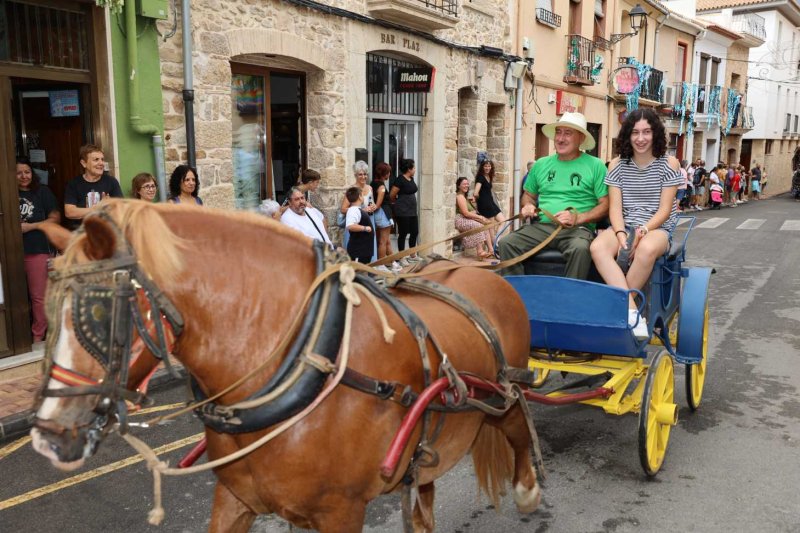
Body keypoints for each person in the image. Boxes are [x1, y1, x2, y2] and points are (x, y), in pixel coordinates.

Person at [589, 108, 682, 338]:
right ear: (628, 136)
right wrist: (621, 234)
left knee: (647, 249)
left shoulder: (669, 164)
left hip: (656, 226)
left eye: (647, 132)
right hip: (625, 223)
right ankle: (631, 311)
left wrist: (643, 230)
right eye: (635, 132)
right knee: (597, 248)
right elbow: (616, 208)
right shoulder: (617, 165)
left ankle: (617, 309)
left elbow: (665, 209)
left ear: (655, 134)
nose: (641, 138)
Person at [498, 112, 609, 279]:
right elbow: (528, 195)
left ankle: (570, 298)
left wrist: (578, 218)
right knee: (506, 243)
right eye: (558, 132)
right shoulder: (541, 164)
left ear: (581, 139)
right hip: (542, 226)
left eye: (568, 133)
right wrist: (528, 205)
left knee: (579, 249)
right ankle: (519, 296)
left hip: (577, 229)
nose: (560, 138)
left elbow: (606, 205)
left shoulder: (596, 165)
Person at [17, 157, 60, 342]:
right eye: (19, 172)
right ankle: (17, 340)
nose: (23, 176)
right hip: (11, 253)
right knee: (15, 297)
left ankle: (37, 337)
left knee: (39, 297)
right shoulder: (7, 193)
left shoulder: (42, 192)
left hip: (37, 250)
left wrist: (30, 227)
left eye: (27, 172)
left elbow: (55, 218)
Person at [64, 144, 124, 228]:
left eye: (102, 159)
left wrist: (110, 205)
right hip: (82, 232)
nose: (101, 163)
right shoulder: (74, 184)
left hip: (106, 231)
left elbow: (121, 209)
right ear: (84, 163)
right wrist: (98, 208)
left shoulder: (111, 182)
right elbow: (69, 212)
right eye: (96, 160)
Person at [340, 161, 377, 260]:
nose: (363, 177)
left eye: (365, 174)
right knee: (356, 252)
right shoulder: (352, 190)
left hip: (369, 220)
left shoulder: (370, 188)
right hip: (355, 223)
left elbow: (371, 202)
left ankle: (368, 268)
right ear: (355, 175)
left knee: (368, 248)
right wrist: (361, 210)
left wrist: (373, 206)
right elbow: (343, 209)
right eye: (360, 174)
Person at [390, 158, 421, 264]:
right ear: (409, 169)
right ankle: (402, 257)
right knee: (403, 234)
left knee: (414, 231)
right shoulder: (400, 179)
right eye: (414, 167)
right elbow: (392, 195)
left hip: (412, 210)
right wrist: (399, 204)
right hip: (402, 211)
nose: (415, 169)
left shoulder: (411, 179)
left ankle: (412, 255)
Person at [455, 177, 494, 260]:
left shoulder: (464, 197)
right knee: (479, 226)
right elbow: (465, 213)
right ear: (459, 186)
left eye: (467, 184)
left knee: (486, 227)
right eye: (464, 184)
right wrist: (480, 217)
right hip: (461, 220)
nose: (466, 185)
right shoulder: (460, 197)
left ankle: (491, 250)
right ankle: (480, 251)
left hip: (466, 218)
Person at [474, 158, 506, 245]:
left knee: (502, 221)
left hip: (491, 203)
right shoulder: (481, 177)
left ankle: (496, 240)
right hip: (485, 204)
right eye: (485, 166)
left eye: (489, 166)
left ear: (491, 167)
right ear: (482, 167)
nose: (487, 168)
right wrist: (480, 199)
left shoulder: (489, 176)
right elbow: (475, 192)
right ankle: (494, 247)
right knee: (490, 227)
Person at [371, 162, 394, 262]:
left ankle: (392, 262)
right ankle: (381, 264)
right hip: (383, 214)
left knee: (386, 240)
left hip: (379, 215)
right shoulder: (381, 187)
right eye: (388, 172)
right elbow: (378, 204)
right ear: (384, 174)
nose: (389, 174)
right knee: (383, 242)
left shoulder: (373, 183)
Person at [344, 187, 374, 264]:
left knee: (362, 273)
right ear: (360, 197)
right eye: (362, 195)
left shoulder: (357, 209)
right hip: (358, 251)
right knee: (358, 274)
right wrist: (365, 228)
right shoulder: (353, 210)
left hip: (363, 250)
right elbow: (350, 226)